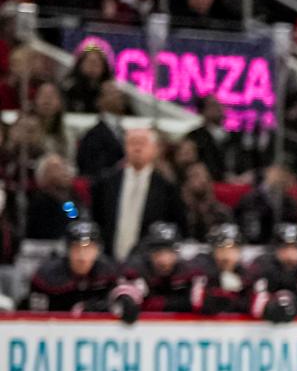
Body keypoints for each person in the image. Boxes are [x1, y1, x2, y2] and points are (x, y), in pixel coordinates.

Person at [93, 128, 185, 260]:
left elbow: (177, 225)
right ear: (125, 147)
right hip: (109, 260)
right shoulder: (106, 183)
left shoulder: (167, 188)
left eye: (142, 143)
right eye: (132, 143)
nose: (137, 148)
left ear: (154, 149)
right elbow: (97, 218)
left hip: (148, 264)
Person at [28, 220, 119, 313]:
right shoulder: (46, 277)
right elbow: (37, 317)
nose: (82, 255)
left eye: (88, 248)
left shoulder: (109, 273)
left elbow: (120, 297)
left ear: (97, 250)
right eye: (76, 247)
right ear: (67, 249)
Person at [111, 221, 193, 322]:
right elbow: (125, 300)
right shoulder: (137, 268)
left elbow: (197, 302)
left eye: (170, 252)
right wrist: (127, 300)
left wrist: (159, 303)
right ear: (150, 253)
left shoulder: (187, 269)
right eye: (159, 252)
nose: (165, 259)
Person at [188, 222, 253, 314]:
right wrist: (226, 294)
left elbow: (255, 306)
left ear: (239, 252)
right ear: (213, 251)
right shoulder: (202, 270)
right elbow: (198, 304)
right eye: (221, 249)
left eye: (231, 249)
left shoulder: (246, 274)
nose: (226, 255)